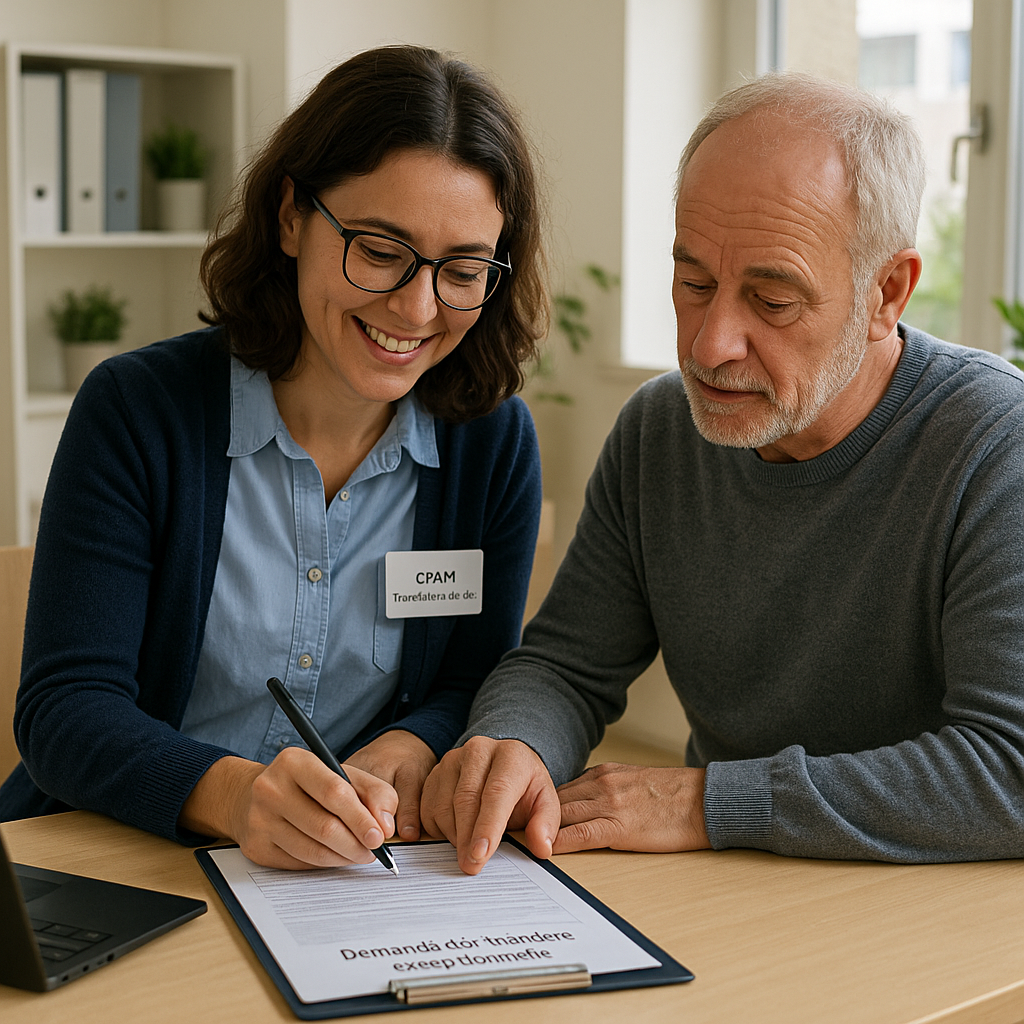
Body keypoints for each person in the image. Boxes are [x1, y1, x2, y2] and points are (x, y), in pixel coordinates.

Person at [420, 72, 1024, 873]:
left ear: (887, 293)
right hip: (737, 881)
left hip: (934, 911)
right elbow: (566, 664)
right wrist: (514, 745)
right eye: (693, 283)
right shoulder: (660, 430)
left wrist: (713, 800)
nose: (709, 347)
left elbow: (1009, 771)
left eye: (771, 301)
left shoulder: (994, 443)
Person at [0, 45, 546, 871]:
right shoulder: (137, 413)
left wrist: (410, 741)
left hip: (337, 878)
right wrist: (232, 794)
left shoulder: (492, 447)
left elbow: (471, 682)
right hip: (112, 854)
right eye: (379, 249)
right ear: (293, 216)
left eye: (463, 270)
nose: (416, 306)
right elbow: (65, 711)